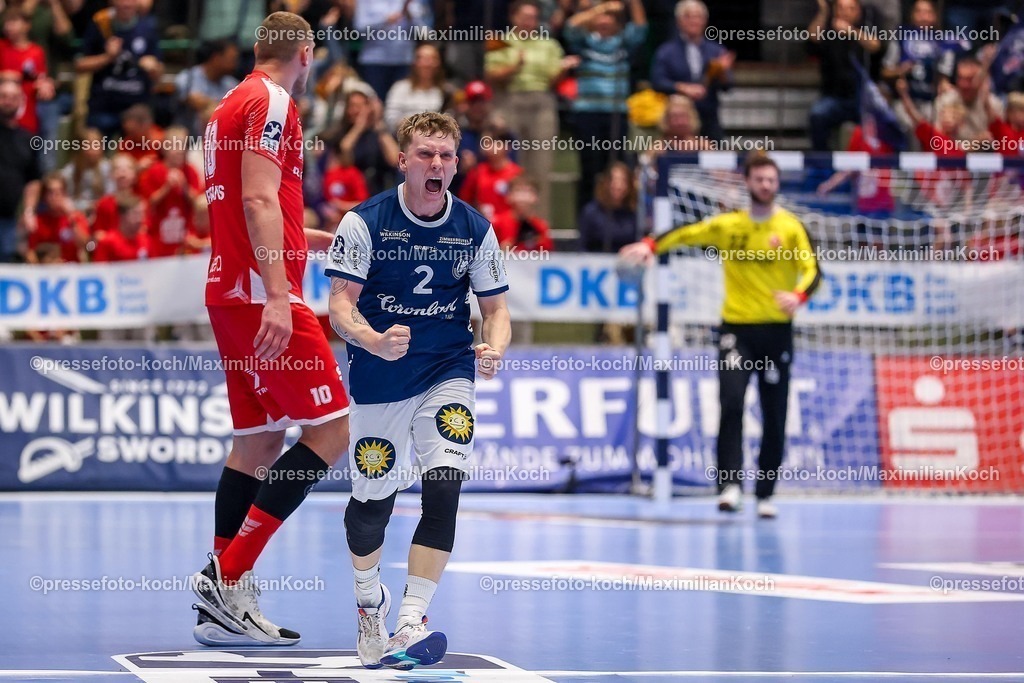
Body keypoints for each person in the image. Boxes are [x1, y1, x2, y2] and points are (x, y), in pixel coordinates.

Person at [189, 11, 351, 648]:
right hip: (262, 295)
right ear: (305, 52)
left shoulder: (226, 106)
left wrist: (317, 240)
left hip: (230, 290)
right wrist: (282, 296)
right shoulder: (275, 101)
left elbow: (247, 204)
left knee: (257, 442)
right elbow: (257, 200)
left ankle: (222, 605)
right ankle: (227, 574)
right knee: (331, 431)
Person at [326, 111, 511, 669]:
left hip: (447, 369)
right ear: (403, 160)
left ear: (456, 164)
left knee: (445, 485)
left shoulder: (474, 228)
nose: (437, 164)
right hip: (380, 377)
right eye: (426, 154)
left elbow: (496, 309)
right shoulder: (365, 222)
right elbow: (340, 306)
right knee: (370, 509)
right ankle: (369, 604)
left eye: (446, 156)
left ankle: (411, 619)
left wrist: (494, 346)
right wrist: (372, 340)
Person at [618, 153, 821, 518]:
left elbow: (813, 270)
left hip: (776, 333)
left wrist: (799, 296)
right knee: (731, 403)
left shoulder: (790, 227)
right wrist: (651, 244)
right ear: (748, 182)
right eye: (759, 179)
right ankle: (729, 486)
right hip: (736, 331)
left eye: (771, 180)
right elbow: (687, 233)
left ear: (777, 184)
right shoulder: (729, 225)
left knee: (775, 414)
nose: (766, 185)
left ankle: (765, 493)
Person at [650, 0, 734, 142]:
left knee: (714, 152)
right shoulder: (666, 51)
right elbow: (657, 81)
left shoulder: (716, 50)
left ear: (705, 21)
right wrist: (683, 88)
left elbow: (728, 86)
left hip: (708, 117)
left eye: (698, 17)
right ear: (678, 21)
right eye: (688, 17)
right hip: (677, 120)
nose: (694, 21)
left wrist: (722, 72)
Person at [0, 78, 42, 263]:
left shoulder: (28, 139)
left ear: (21, 102)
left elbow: (33, 179)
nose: (8, 101)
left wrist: (29, 211)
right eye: (3, 96)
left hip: (9, 222)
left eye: (13, 97)